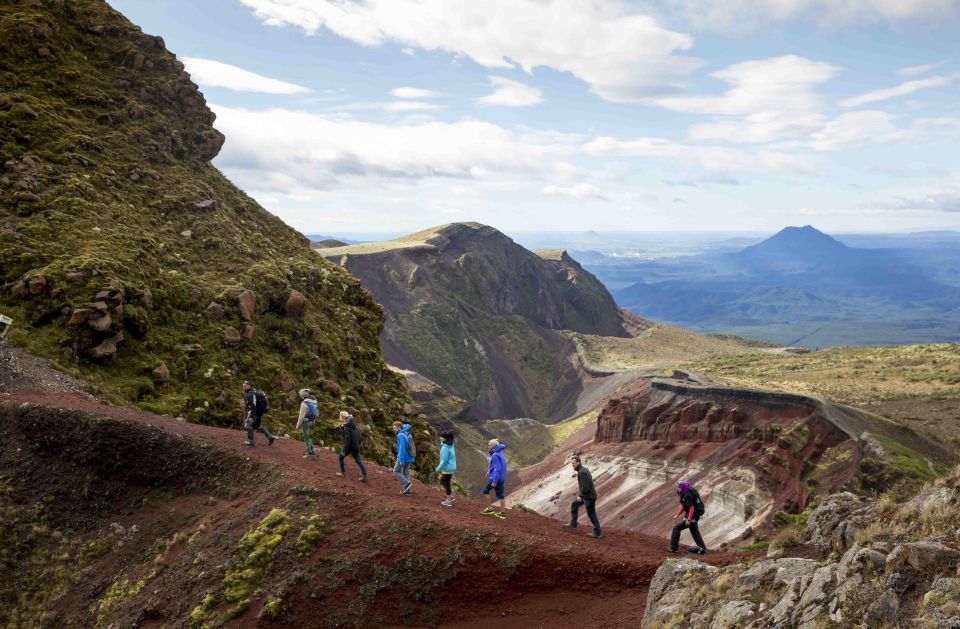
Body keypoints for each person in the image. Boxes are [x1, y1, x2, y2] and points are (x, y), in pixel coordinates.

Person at [563, 455, 601, 538]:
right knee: (574, 504)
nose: (572, 465)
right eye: (572, 463)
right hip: (587, 496)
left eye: (573, 463)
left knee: (591, 514)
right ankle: (573, 523)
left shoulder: (582, 472)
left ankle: (597, 532)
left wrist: (580, 495)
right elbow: (585, 486)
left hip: (589, 497)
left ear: (578, 462)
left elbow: (586, 487)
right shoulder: (583, 470)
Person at [668, 480, 707, 555]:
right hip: (694, 515)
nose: (678, 489)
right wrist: (677, 515)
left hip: (692, 516)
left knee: (676, 528)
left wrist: (689, 519)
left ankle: (673, 547)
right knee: (695, 532)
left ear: (683, 487)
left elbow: (691, 507)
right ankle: (703, 549)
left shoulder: (687, 495)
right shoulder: (685, 494)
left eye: (679, 487)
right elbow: (684, 506)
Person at [480, 439, 508, 520]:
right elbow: (498, 466)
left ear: (494, 446)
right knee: (501, 496)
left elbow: (497, 469)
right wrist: (489, 471)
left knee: (485, 491)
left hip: (495, 478)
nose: (488, 446)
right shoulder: (500, 453)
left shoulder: (495, 455)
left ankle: (490, 509)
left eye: (490, 445)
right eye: (488, 444)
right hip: (501, 478)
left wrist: (494, 481)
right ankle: (502, 513)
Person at [337, 411, 368, 481]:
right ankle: (365, 475)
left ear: (343, 417)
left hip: (349, 447)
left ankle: (342, 473)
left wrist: (344, 451)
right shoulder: (352, 424)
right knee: (358, 461)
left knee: (340, 457)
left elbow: (347, 440)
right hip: (355, 446)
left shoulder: (346, 427)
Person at [242, 381, 275, 447]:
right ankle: (270, 437)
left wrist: (251, 416)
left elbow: (253, 405)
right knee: (257, 426)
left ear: (249, 386)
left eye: (245, 386)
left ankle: (251, 442)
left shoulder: (250, 394)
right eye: (243, 386)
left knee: (248, 426)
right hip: (259, 412)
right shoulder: (255, 391)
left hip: (255, 412)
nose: (243, 388)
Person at [435, 430, 457, 507]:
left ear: (445, 438)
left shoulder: (445, 447)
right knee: (443, 482)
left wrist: (438, 469)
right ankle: (451, 496)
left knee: (446, 484)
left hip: (446, 468)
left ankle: (449, 501)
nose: (440, 438)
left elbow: (444, 460)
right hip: (450, 467)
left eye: (442, 437)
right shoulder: (450, 445)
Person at [393, 421, 415, 495]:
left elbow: (402, 448)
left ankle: (407, 483)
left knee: (396, 471)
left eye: (395, 428)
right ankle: (407, 491)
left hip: (404, 457)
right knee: (405, 473)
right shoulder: (406, 432)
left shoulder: (400, 435)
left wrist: (401, 459)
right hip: (409, 456)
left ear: (399, 427)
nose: (393, 429)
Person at [295, 389, 318, 460]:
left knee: (306, 437)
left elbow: (301, 417)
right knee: (309, 436)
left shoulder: (304, 403)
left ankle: (310, 454)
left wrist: (298, 425)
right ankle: (312, 450)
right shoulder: (314, 400)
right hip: (313, 420)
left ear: (302, 396)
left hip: (306, 422)